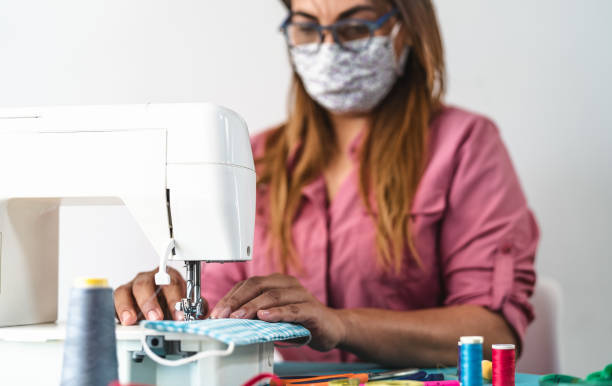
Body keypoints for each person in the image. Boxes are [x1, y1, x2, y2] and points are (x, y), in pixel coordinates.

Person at [114, 0, 538, 367]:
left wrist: (339, 322)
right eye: (307, 27)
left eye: (354, 27)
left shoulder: (464, 145)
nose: (328, 48)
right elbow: (215, 313)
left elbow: (493, 333)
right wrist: (165, 304)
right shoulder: (253, 160)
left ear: (406, 29)